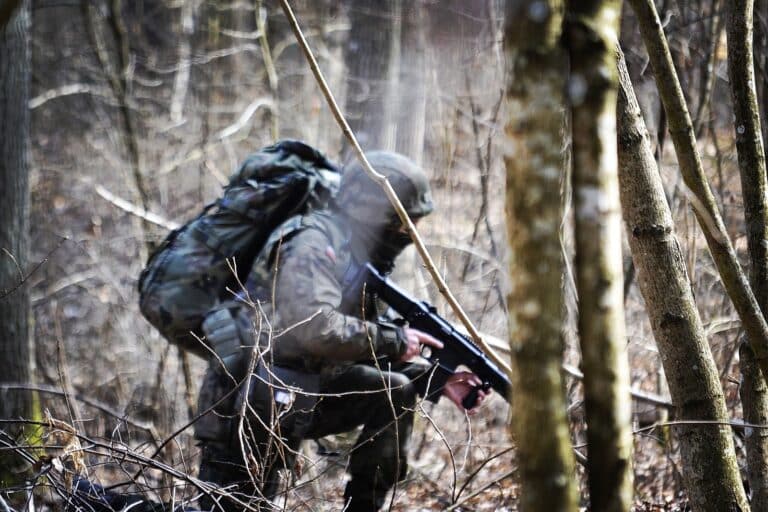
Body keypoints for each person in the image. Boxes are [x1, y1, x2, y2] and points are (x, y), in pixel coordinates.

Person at [194, 151, 489, 511]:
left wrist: (437, 379)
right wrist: (396, 340)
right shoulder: (313, 243)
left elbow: (353, 346)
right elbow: (315, 330)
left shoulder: (355, 255)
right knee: (234, 505)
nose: (410, 233)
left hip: (293, 394)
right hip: (243, 401)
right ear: (376, 215)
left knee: (393, 391)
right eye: (404, 222)